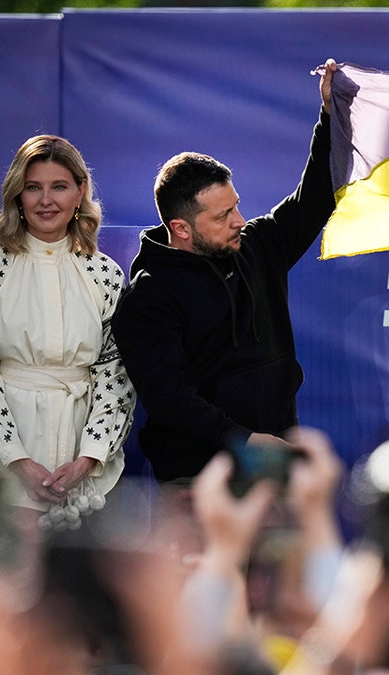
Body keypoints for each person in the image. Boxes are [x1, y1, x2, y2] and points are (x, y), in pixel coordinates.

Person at [112, 61, 339, 483]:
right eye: (222, 215)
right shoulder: (147, 299)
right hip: (195, 479)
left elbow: (316, 197)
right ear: (180, 228)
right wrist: (244, 440)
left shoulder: (258, 244)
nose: (239, 219)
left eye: (236, 205)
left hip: (274, 467)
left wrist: (329, 116)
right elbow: (170, 400)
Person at [0, 135, 135, 530]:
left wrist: (90, 457)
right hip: (1, 463)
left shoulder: (105, 274)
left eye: (59, 186)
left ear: (80, 191)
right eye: (34, 187)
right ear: (18, 194)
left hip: (87, 469)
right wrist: (15, 458)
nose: (46, 200)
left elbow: (117, 376)